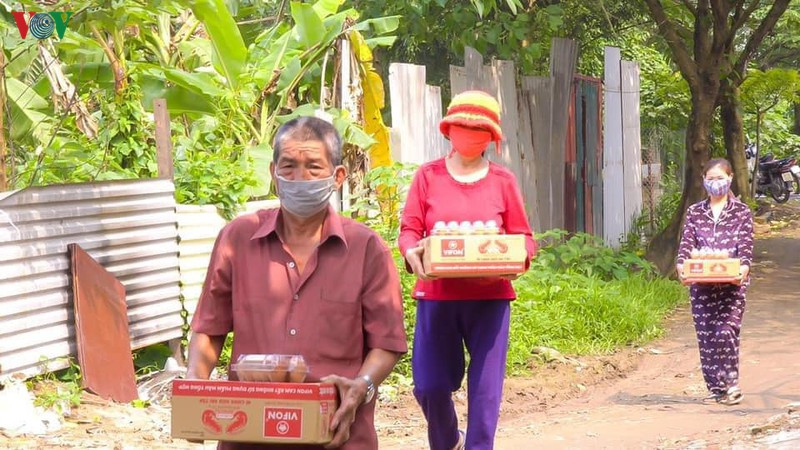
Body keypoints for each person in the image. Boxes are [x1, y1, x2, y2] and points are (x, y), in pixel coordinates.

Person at [186, 116, 408, 450]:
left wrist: (362, 384)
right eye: (288, 166)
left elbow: (387, 342)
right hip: (250, 435)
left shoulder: (366, 249)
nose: (300, 178)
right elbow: (209, 326)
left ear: (338, 176)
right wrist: (195, 388)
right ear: (274, 174)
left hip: (337, 434)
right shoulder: (238, 239)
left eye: (313, 167)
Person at [398, 90, 537, 450]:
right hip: (437, 296)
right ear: (448, 129)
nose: (469, 134)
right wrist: (413, 254)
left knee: (485, 391)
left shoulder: (502, 180)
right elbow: (410, 230)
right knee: (428, 385)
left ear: (491, 137)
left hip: (489, 299)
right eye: (463, 126)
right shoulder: (428, 177)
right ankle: (447, 441)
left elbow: (523, 236)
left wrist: (517, 261)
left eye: (479, 129)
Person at [676, 158, 754, 406]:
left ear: (730, 179)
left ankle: (731, 384)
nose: (715, 183)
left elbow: (746, 247)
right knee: (707, 335)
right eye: (710, 179)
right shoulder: (695, 212)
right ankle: (716, 387)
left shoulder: (741, 212)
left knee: (726, 331)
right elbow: (687, 244)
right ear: (704, 181)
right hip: (702, 284)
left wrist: (743, 267)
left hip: (732, 285)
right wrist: (682, 266)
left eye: (720, 178)